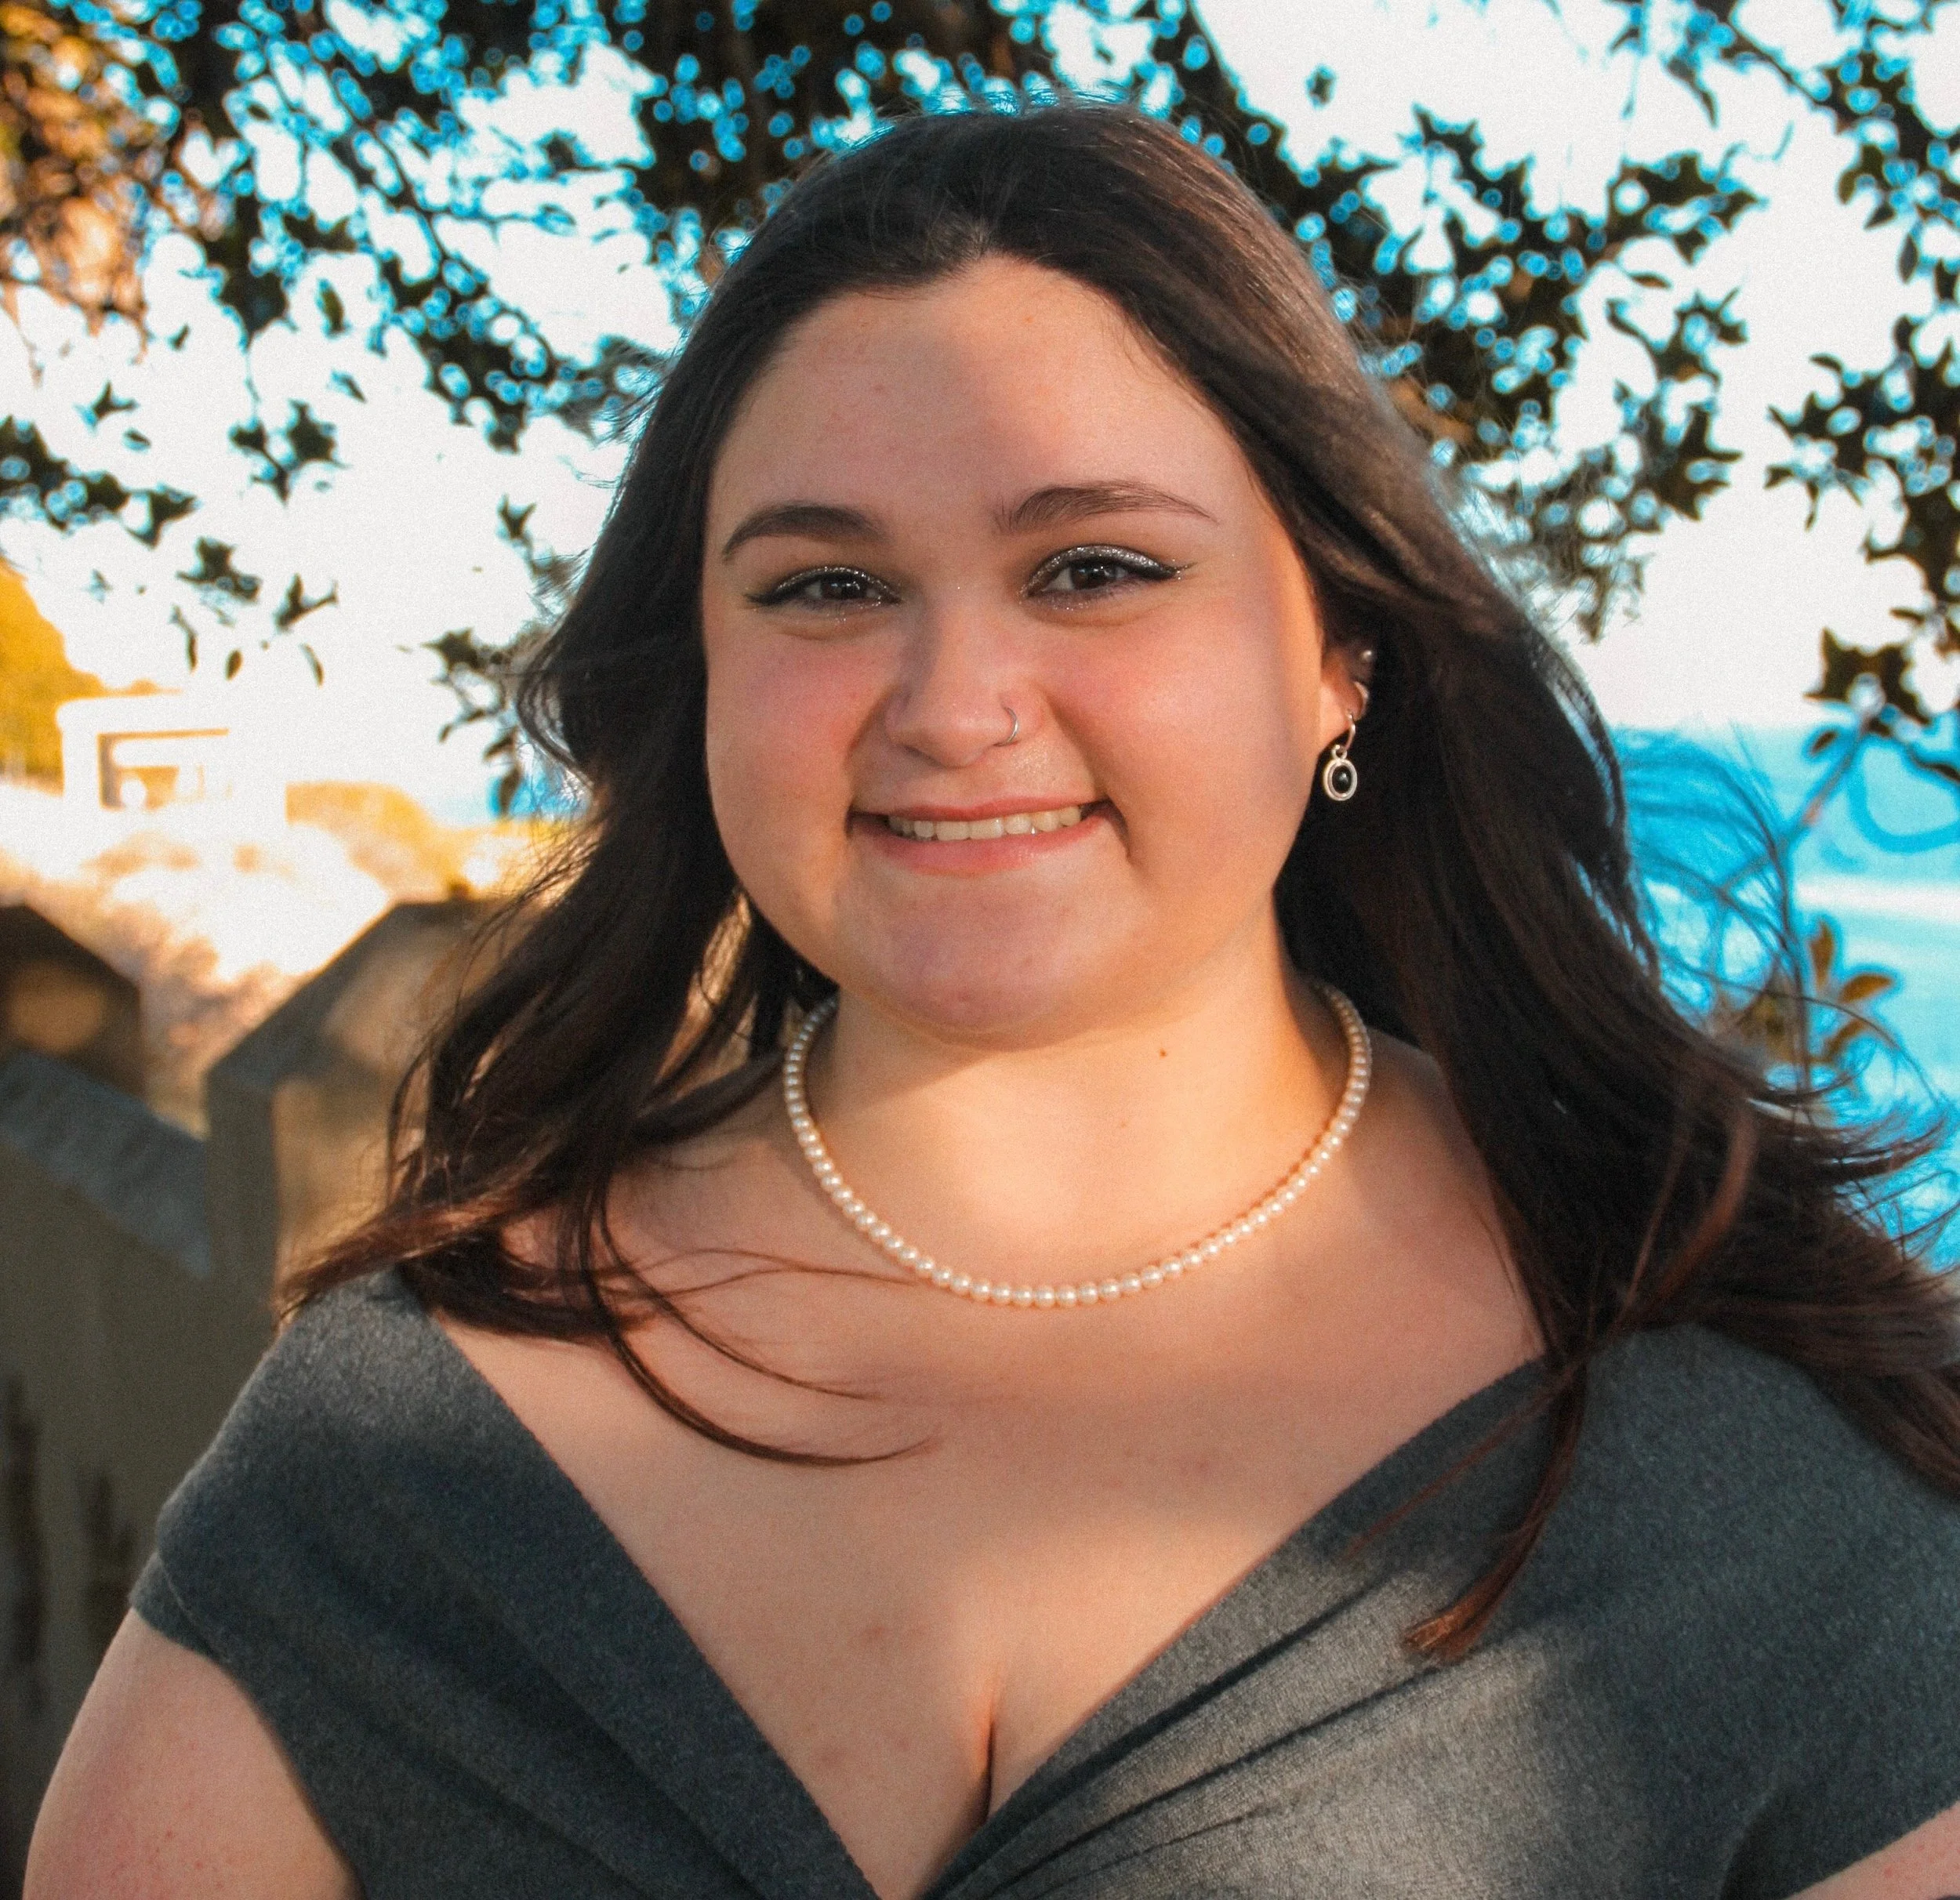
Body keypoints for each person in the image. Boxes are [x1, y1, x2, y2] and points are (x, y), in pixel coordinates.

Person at [27, 105, 1960, 1900]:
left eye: (1093, 567)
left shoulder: (1726, 1424)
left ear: (1340, 654)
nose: (952, 709)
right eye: (822, 588)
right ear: (696, 675)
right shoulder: (404, 1450)